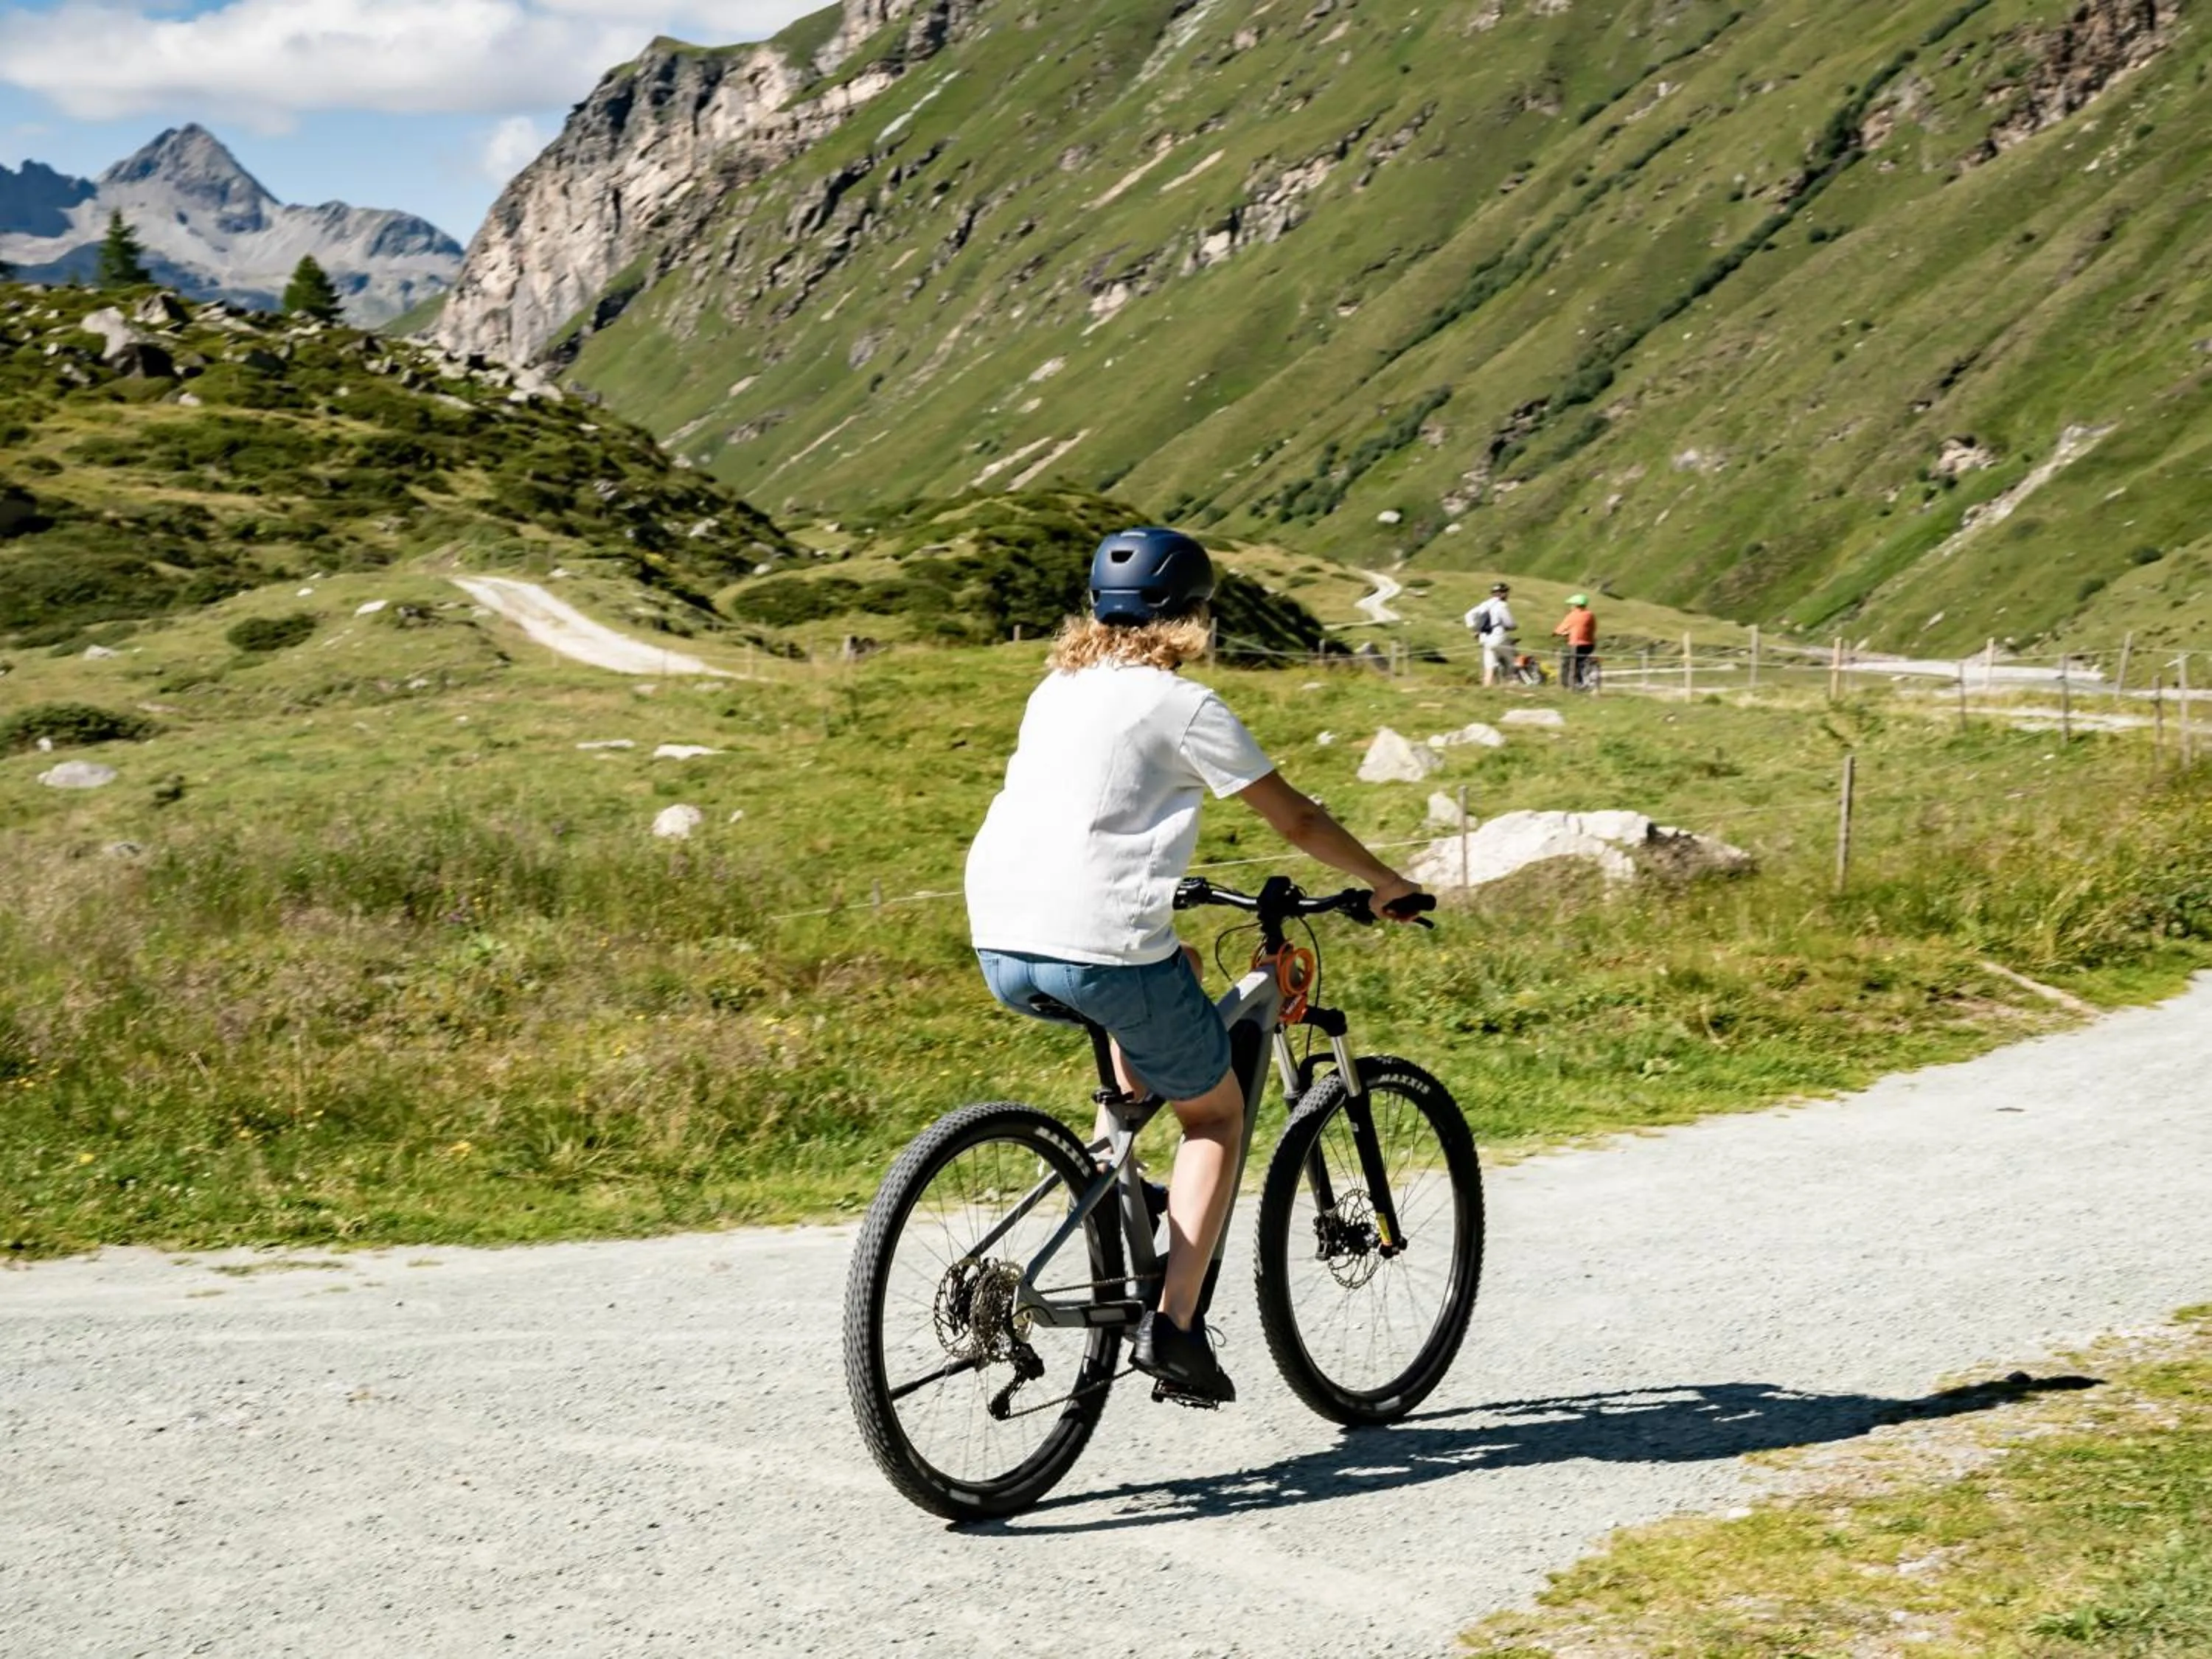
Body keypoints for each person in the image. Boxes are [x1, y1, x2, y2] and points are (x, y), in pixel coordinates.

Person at [964, 526, 1430, 1405]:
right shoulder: (1183, 705)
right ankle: (1173, 1332)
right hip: (1094, 943)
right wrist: (1383, 881)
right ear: (1190, 617)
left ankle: (1118, 1148)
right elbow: (1294, 820)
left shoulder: (1055, 689)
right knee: (1215, 1116)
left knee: (1160, 964)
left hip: (1000, 937)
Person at [1464, 582, 1517, 686]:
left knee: (1489, 666)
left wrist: (1475, 629)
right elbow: (1509, 623)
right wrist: (1513, 627)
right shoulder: (1502, 605)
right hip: (1498, 637)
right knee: (1511, 659)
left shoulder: (1485, 604)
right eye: (1506, 592)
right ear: (1503, 593)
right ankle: (1511, 684)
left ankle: (1487, 687)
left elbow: (1468, 615)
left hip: (1485, 639)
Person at [1554, 593, 1597, 688]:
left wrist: (1556, 633)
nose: (1571, 607)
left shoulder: (1573, 615)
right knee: (1580, 662)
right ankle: (1583, 681)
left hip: (1576, 644)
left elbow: (1562, 628)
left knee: (1567, 664)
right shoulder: (1590, 615)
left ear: (1576, 605)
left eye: (1572, 605)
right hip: (1590, 645)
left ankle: (1569, 685)